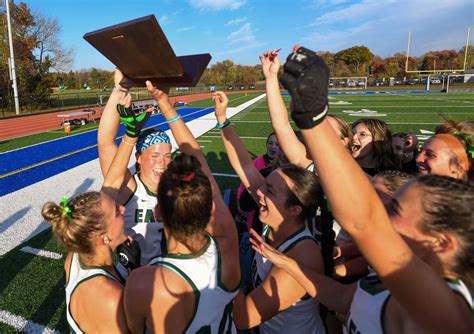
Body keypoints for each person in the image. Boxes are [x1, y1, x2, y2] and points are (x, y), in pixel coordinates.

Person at [267, 45, 473, 333]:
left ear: (440, 243)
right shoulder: (384, 276)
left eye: (394, 207)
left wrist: (313, 118)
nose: (381, 210)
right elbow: (341, 297)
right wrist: (289, 264)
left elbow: (364, 220)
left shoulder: (447, 310)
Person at [124, 87, 240, 333]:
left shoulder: (141, 282)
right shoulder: (227, 251)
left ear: (158, 212)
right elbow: (200, 161)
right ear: (210, 209)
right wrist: (166, 105)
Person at [213, 90, 326, 333]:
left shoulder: (302, 255)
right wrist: (222, 119)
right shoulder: (277, 217)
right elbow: (244, 164)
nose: (259, 193)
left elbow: (244, 318)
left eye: (270, 191)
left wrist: (225, 270)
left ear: (295, 209)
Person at [41, 92, 151, 333]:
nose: (123, 208)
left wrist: (130, 136)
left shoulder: (78, 256)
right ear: (103, 237)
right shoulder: (109, 298)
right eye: (118, 213)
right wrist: (137, 275)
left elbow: (112, 181)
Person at [98, 69, 172, 269]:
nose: (162, 163)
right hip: (130, 280)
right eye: (155, 156)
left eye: (167, 155)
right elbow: (105, 143)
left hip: (169, 282)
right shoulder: (130, 187)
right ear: (138, 158)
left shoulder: (177, 189)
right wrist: (119, 90)